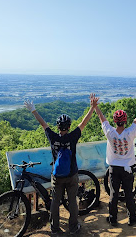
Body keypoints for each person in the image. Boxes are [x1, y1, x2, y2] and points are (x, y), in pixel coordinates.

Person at [24, 94, 98, 236]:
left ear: (58, 126)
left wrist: (33, 110)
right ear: (69, 126)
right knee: (72, 202)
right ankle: (73, 227)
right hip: (71, 175)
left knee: (55, 203)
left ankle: (55, 228)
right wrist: (92, 108)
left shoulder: (53, 137)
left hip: (57, 176)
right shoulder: (72, 137)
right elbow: (84, 122)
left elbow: (43, 123)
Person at [93, 93, 136, 227]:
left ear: (115, 121)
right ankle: (132, 218)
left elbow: (102, 119)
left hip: (113, 168)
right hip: (128, 169)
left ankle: (113, 219)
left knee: (114, 193)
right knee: (129, 194)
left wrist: (96, 107)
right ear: (125, 121)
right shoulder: (130, 133)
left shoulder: (110, 133)